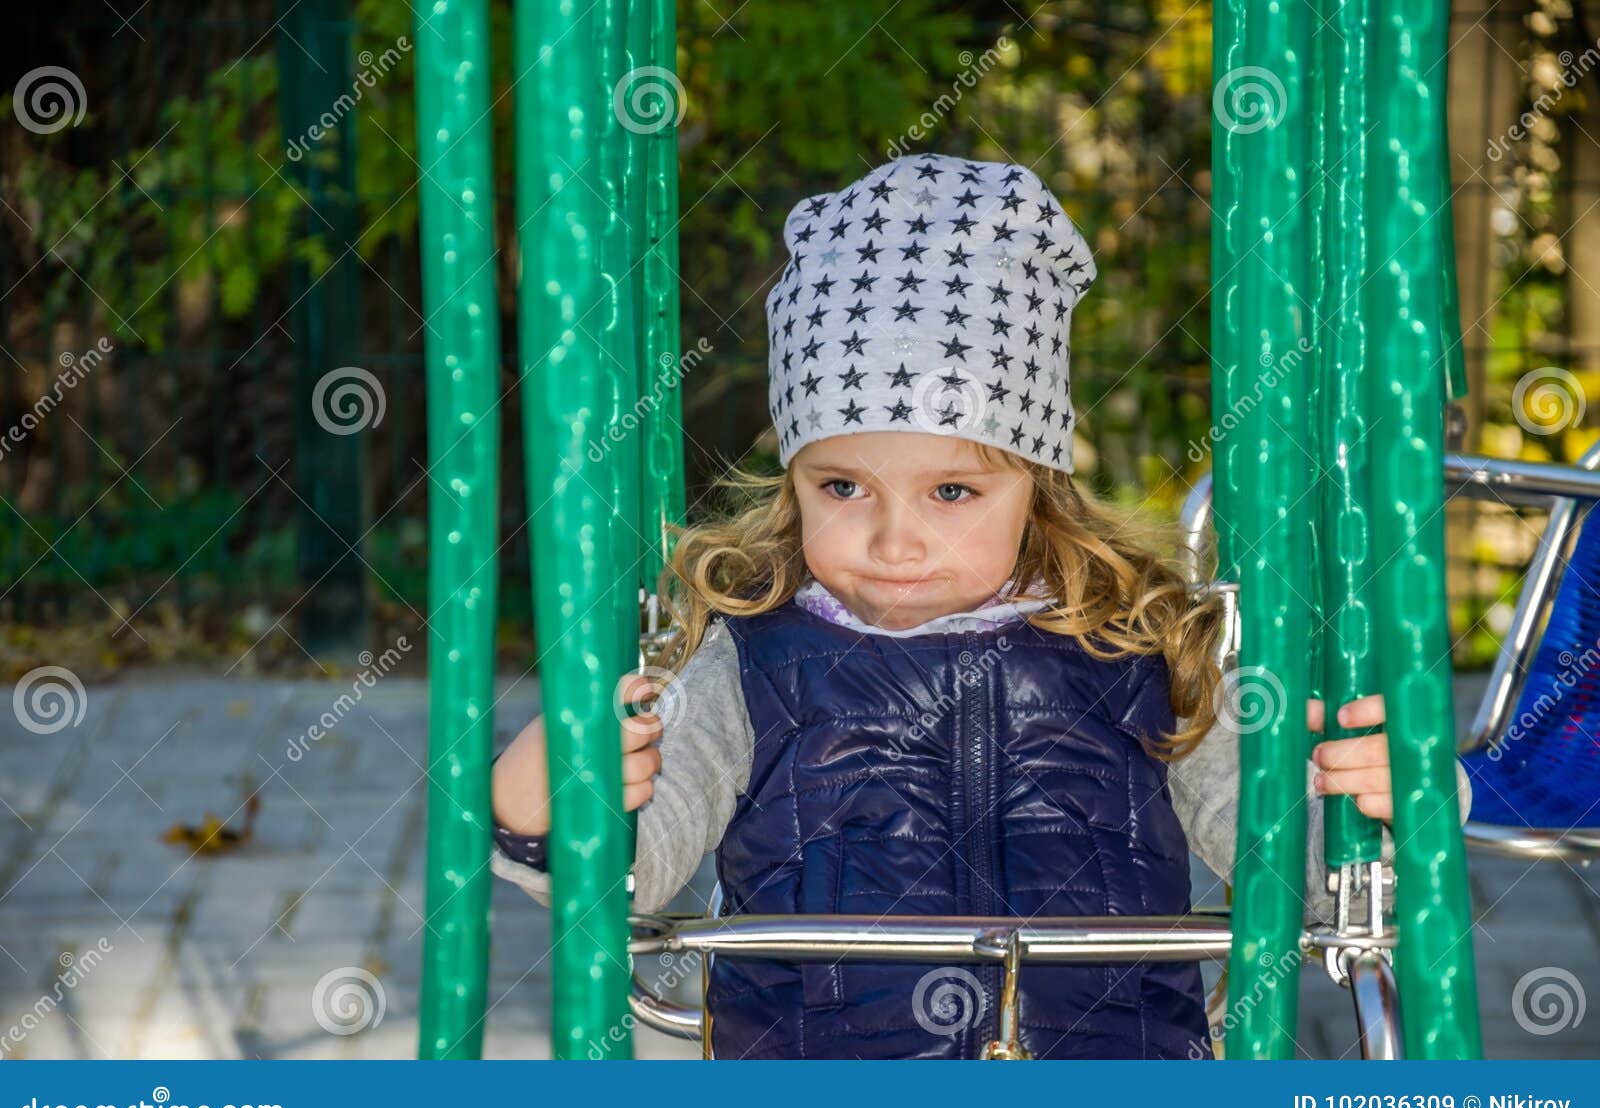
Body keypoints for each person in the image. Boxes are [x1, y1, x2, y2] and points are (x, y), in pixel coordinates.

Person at [489, 153, 1472, 1059]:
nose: (893, 540)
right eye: (841, 487)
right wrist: (544, 805)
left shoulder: (1140, 644)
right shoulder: (748, 655)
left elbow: (1274, 844)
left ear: (1035, 483)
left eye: (951, 492)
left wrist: (1377, 809)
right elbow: (629, 870)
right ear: (792, 479)